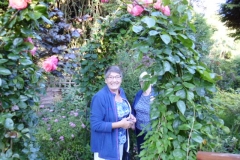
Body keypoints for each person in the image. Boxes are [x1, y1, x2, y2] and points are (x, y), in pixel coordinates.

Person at [90, 65, 137, 160]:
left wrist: (130, 119)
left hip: (121, 144)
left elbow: (119, 113)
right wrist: (120, 124)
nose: (114, 80)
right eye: (110, 77)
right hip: (106, 148)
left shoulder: (121, 92)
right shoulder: (100, 97)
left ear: (121, 79)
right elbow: (96, 125)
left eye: (117, 77)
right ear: (105, 80)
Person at [132, 71, 156, 155]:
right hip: (139, 131)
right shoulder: (139, 93)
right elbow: (133, 108)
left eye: (146, 80)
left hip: (152, 132)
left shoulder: (156, 94)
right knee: (141, 153)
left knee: (151, 154)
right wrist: (132, 121)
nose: (143, 83)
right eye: (141, 81)